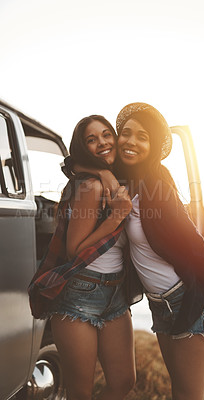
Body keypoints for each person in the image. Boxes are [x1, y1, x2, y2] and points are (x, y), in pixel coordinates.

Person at [114, 102, 204, 400]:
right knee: (178, 392)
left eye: (142, 137)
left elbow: (200, 252)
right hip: (161, 306)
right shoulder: (126, 185)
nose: (131, 141)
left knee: (187, 396)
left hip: (189, 301)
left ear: (154, 145)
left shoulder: (159, 191)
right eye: (126, 133)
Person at [28, 115, 135, 400]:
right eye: (92, 139)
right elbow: (75, 249)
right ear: (83, 147)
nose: (102, 143)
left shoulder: (114, 180)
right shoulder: (91, 187)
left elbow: (69, 164)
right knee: (80, 392)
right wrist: (116, 216)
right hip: (80, 293)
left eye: (106, 135)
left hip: (115, 295)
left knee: (124, 381)